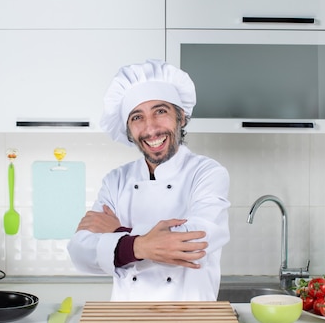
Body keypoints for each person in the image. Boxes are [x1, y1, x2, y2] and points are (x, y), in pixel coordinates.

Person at [67, 59, 230, 301]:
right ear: (129, 130)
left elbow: (195, 240)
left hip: (191, 322)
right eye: (137, 117)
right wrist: (139, 245)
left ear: (181, 116)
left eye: (160, 111)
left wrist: (118, 233)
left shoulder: (207, 172)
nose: (150, 128)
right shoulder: (116, 180)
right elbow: (80, 252)